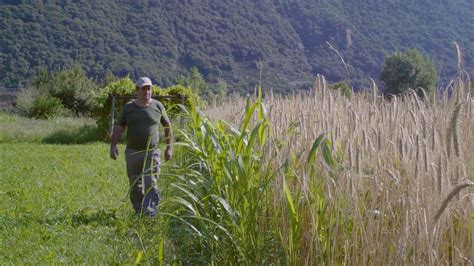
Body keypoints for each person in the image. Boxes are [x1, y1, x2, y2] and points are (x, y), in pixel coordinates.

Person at [109, 77, 173, 217]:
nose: (147, 91)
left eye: (149, 88)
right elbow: (119, 127)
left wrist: (169, 147)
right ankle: (139, 211)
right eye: (144, 88)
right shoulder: (129, 108)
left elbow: (167, 126)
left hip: (152, 152)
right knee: (135, 184)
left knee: (151, 183)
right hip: (133, 152)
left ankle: (150, 214)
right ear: (136, 90)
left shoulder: (158, 106)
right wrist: (113, 146)